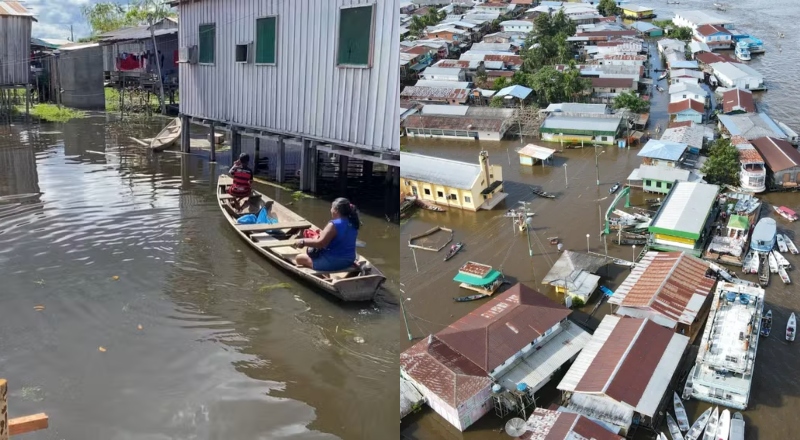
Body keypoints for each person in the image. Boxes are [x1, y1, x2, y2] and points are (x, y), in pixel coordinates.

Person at [294, 198, 360, 271]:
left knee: (299, 258)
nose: (331, 210)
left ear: (336, 210)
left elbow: (321, 243)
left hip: (333, 262)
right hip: (349, 260)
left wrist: (303, 241)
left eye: (332, 207)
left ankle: (324, 274)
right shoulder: (354, 222)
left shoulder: (333, 225)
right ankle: (325, 272)